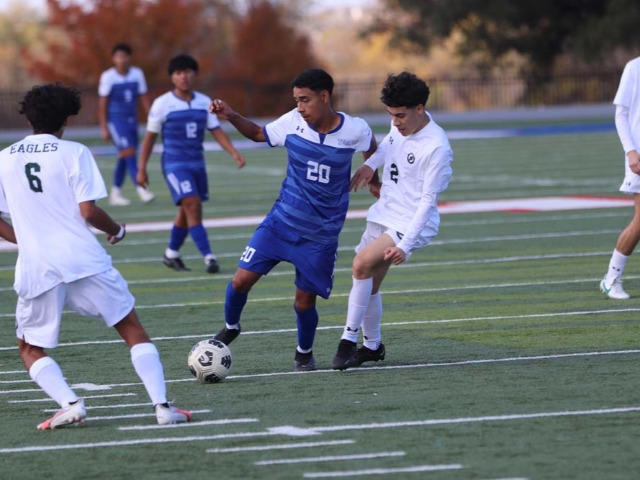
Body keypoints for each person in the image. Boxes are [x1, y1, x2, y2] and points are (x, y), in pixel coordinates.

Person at [0, 83, 190, 429]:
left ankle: (70, 404)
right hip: (84, 258)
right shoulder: (75, 152)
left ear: (28, 118)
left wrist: (27, 241)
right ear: (66, 119)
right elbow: (88, 212)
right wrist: (116, 229)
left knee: (29, 348)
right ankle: (163, 407)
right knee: (131, 329)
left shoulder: (5, 158)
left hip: (38, 265)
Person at [209, 68, 377, 371]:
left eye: (305, 100)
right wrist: (231, 115)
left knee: (303, 302)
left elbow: (371, 147)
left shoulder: (355, 129)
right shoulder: (292, 122)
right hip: (280, 223)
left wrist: (372, 175)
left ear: (324, 97)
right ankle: (231, 327)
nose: (299, 107)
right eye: (296, 100)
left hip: (320, 236)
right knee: (240, 281)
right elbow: (258, 133)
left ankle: (304, 353)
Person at [331, 72, 453, 370]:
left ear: (420, 109)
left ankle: (347, 341)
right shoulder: (400, 124)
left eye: (400, 115)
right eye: (391, 115)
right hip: (385, 211)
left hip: (410, 222)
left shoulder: (437, 147)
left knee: (360, 264)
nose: (395, 122)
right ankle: (373, 346)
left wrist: (406, 245)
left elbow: (427, 202)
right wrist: (370, 165)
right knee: (369, 284)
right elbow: (388, 144)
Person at [137, 54, 245, 274]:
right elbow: (149, 138)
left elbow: (216, 130)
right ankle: (209, 257)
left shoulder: (205, 102)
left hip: (197, 164)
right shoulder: (162, 104)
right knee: (193, 205)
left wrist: (234, 152)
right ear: (172, 77)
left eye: (187, 72)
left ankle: (171, 254)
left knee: (187, 210)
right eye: (178, 73)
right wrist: (141, 169)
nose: (183, 76)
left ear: (195, 74)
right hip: (174, 165)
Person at [600, 56, 640, 300]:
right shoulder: (634, 67)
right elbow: (621, 114)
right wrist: (631, 151)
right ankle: (611, 278)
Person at [98, 42, 155, 206]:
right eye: (118, 57)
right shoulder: (108, 77)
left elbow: (144, 97)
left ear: (129, 57)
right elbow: (103, 103)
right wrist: (104, 127)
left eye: (124, 56)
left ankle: (115, 193)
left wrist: (152, 118)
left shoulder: (137, 74)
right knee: (129, 152)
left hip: (132, 121)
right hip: (116, 122)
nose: (121, 60)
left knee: (125, 155)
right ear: (113, 59)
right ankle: (141, 188)